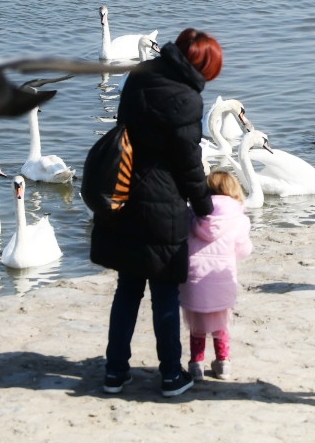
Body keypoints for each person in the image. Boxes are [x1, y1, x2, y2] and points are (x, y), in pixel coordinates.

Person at [92, 28, 220, 397]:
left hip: (123, 193)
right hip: (162, 205)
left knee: (127, 290)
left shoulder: (138, 75)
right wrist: (205, 206)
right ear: (201, 65)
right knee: (165, 292)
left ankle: (115, 372)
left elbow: (125, 130)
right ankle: (170, 375)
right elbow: (188, 165)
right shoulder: (186, 100)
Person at [181, 170, 253, 380]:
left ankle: (196, 364)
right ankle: (223, 363)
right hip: (221, 280)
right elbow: (243, 249)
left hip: (194, 280)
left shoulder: (193, 214)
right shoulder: (238, 217)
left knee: (197, 326)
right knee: (221, 324)